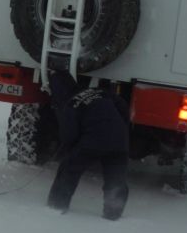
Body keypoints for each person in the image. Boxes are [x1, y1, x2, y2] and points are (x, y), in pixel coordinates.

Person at [46, 70, 130, 220]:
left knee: (69, 169)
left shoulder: (70, 104)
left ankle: (56, 205)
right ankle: (113, 212)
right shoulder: (99, 91)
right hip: (120, 140)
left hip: (92, 143)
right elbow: (122, 104)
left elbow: (69, 136)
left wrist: (68, 148)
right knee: (116, 176)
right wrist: (121, 126)